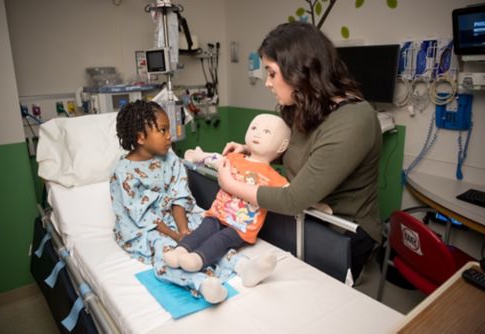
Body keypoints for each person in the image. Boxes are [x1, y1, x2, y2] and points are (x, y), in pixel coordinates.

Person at [217, 21, 383, 281]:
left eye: (272, 73)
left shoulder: (353, 120)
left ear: (299, 70)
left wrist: (229, 183)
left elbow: (294, 198)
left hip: (341, 231)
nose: (267, 83)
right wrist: (251, 149)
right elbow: (304, 151)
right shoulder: (308, 105)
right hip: (305, 219)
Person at [111, 100, 240, 304]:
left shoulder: (170, 158)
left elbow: (178, 193)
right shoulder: (124, 173)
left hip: (175, 219)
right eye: (162, 130)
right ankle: (201, 283)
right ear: (140, 137)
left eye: (168, 129)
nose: (169, 136)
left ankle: (239, 264)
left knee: (206, 230)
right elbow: (141, 215)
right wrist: (174, 236)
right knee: (165, 251)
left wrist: (184, 230)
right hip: (145, 228)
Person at [163, 114, 291, 287]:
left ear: (282, 145)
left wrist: (315, 204)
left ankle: (197, 259)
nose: (257, 134)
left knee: (219, 241)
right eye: (254, 128)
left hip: (239, 228)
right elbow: (216, 160)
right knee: (201, 231)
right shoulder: (235, 158)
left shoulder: (274, 177)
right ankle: (180, 250)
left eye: (267, 131)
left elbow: (293, 194)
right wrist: (199, 155)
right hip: (217, 215)